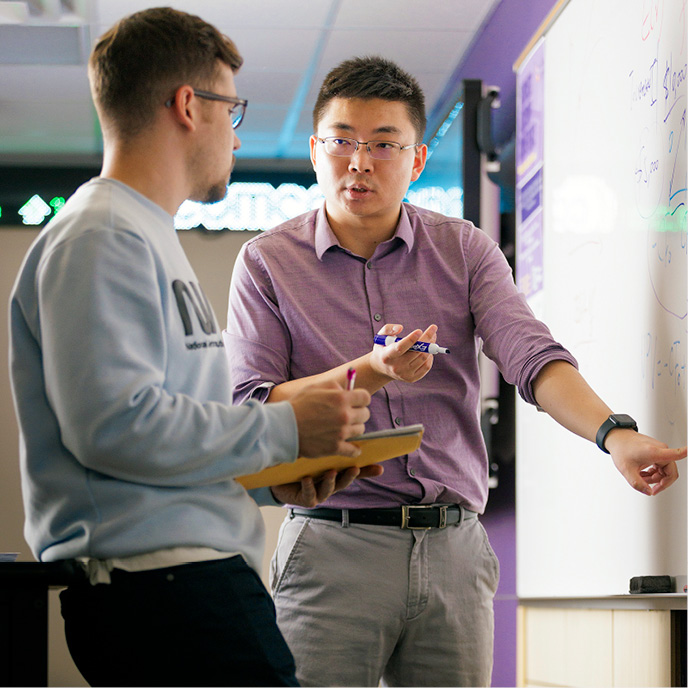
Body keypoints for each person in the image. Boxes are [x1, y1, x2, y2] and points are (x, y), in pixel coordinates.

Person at [224, 55, 687, 687]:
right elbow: (254, 406)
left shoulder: (463, 249)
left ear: (415, 161)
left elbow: (532, 355)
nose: (358, 162)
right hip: (333, 546)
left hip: (453, 548)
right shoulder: (267, 264)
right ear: (314, 150)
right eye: (341, 141)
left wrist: (616, 434)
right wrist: (372, 372)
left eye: (384, 144)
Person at [8, 9, 375, 687]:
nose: (234, 138)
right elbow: (115, 427)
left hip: (186, 586)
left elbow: (161, 435)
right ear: (187, 105)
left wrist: (271, 474)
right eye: (229, 109)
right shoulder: (102, 234)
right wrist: (284, 427)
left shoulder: (143, 235)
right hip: (164, 595)